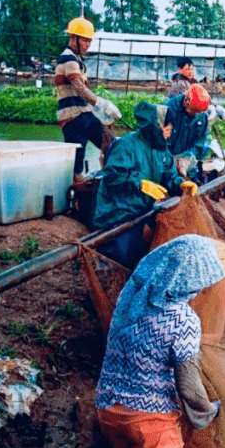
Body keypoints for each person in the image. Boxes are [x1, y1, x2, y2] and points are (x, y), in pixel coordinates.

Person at [96, 234, 225, 448]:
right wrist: (208, 413)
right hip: (153, 422)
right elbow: (188, 386)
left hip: (108, 409)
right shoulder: (182, 320)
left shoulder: (131, 296)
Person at [92, 101, 184, 268]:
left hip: (143, 211)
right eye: (167, 129)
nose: (169, 134)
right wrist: (140, 183)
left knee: (142, 257)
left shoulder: (161, 149)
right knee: (118, 259)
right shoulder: (126, 145)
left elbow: (169, 175)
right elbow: (113, 176)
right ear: (155, 127)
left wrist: (181, 185)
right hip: (118, 214)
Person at [55, 17, 113, 180]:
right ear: (74, 38)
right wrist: (100, 103)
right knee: (108, 145)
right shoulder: (69, 59)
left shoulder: (77, 60)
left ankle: (93, 183)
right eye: (85, 40)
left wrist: (98, 108)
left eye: (89, 41)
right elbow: (79, 88)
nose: (88, 45)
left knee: (106, 144)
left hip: (80, 115)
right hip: (74, 117)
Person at [166, 83, 211, 184]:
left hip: (188, 166)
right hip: (168, 163)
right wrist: (173, 162)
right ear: (186, 101)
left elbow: (199, 143)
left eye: (199, 112)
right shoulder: (168, 110)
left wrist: (187, 159)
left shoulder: (201, 116)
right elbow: (160, 142)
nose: (196, 114)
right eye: (194, 111)